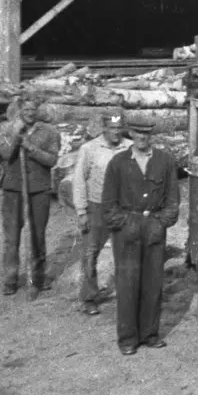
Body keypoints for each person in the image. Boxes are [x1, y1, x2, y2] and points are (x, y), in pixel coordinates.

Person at [101, 114, 180, 355]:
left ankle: (150, 334)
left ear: (151, 135)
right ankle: (127, 339)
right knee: (127, 283)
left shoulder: (165, 161)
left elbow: (173, 199)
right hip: (127, 229)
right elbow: (108, 203)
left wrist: (162, 223)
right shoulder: (118, 162)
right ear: (131, 135)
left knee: (153, 282)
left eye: (146, 133)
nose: (142, 137)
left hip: (154, 227)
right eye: (138, 133)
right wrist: (124, 223)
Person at [0, 95, 61, 301]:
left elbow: (52, 160)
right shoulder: (7, 129)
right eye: (26, 110)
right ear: (19, 111)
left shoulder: (50, 132)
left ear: (38, 110)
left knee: (37, 235)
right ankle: (10, 278)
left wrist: (31, 148)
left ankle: (37, 278)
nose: (30, 113)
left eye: (33, 110)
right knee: (12, 237)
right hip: (13, 189)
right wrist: (15, 140)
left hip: (39, 190)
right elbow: (5, 154)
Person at [72, 112, 131, 316]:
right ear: (104, 128)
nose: (116, 132)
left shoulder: (129, 147)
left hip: (122, 208)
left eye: (119, 128)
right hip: (96, 207)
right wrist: (81, 211)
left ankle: (126, 294)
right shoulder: (90, 149)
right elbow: (79, 179)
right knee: (90, 252)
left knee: (124, 251)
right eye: (112, 128)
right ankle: (89, 297)